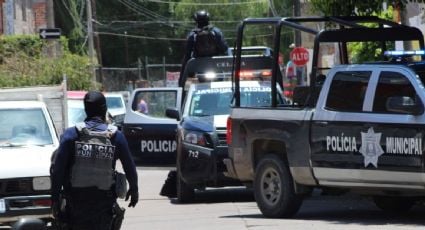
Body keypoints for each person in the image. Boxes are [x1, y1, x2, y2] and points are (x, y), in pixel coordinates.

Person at [51, 91, 139, 230]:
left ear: (86, 109)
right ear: (105, 109)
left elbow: (58, 170)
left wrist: (55, 198)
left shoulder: (71, 135)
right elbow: (129, 166)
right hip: (104, 205)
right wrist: (134, 190)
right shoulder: (116, 136)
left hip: (76, 204)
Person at [179, 10, 229, 86]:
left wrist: (182, 79)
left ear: (196, 21)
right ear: (208, 19)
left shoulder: (192, 35)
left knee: (202, 87)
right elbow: (225, 48)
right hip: (216, 65)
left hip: (201, 67)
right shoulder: (216, 32)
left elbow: (187, 55)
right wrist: (228, 65)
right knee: (219, 86)